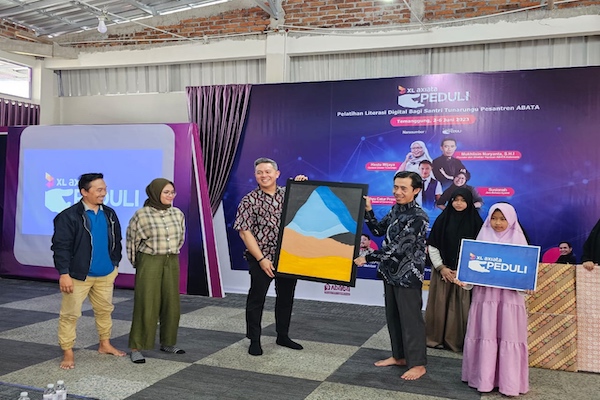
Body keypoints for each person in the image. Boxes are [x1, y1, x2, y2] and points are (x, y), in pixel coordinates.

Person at [354, 171, 428, 381]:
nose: (398, 192)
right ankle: (399, 356)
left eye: (403, 188)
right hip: (390, 273)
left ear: (416, 190)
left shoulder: (419, 217)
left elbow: (398, 246)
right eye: (396, 187)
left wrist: (368, 257)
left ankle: (418, 364)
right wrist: (369, 211)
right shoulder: (396, 209)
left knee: (411, 320)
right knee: (393, 317)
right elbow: (378, 231)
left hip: (408, 275)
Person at [51, 173, 126, 370]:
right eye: (99, 190)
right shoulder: (68, 216)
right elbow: (60, 247)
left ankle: (104, 344)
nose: (104, 193)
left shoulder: (109, 214)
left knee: (105, 311)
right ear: (84, 192)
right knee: (70, 315)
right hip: (78, 276)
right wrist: (64, 273)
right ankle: (68, 351)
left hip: (106, 274)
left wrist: (114, 264)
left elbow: (116, 240)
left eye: (105, 189)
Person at [233, 157, 307, 356]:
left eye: (267, 171)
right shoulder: (249, 200)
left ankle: (283, 335)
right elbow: (244, 232)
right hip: (260, 257)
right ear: (255, 175)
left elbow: (307, 208)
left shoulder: (288, 194)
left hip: (287, 256)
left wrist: (302, 185)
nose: (264, 175)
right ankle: (254, 339)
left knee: (286, 297)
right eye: (259, 172)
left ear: (277, 174)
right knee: (257, 298)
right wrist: (261, 259)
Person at [459, 203, 530, 397]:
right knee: (485, 332)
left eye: (502, 219)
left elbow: (525, 271)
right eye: (494, 218)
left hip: (510, 299)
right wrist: (465, 280)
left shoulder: (519, 241)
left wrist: (526, 285)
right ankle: (482, 378)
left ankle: (509, 382)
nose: (498, 223)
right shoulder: (482, 238)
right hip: (485, 297)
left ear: (512, 220)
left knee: (509, 334)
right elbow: (473, 270)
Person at [126, 178, 186, 364]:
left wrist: (170, 252)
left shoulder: (177, 213)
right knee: (146, 302)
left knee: (171, 303)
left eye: (172, 192)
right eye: (166, 192)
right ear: (155, 192)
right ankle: (137, 347)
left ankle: (168, 342)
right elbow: (131, 242)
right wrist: (140, 264)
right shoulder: (141, 215)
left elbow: (180, 239)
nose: (170, 196)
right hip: (149, 260)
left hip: (171, 260)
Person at [425, 188, 483, 352]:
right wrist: (441, 268)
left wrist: (463, 271)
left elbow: (479, 250)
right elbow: (433, 246)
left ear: (469, 202)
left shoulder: (477, 223)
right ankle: (434, 339)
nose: (458, 203)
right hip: (443, 272)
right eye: (455, 200)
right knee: (439, 305)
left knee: (459, 308)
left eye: (463, 200)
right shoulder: (442, 220)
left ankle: (455, 342)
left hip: (464, 274)